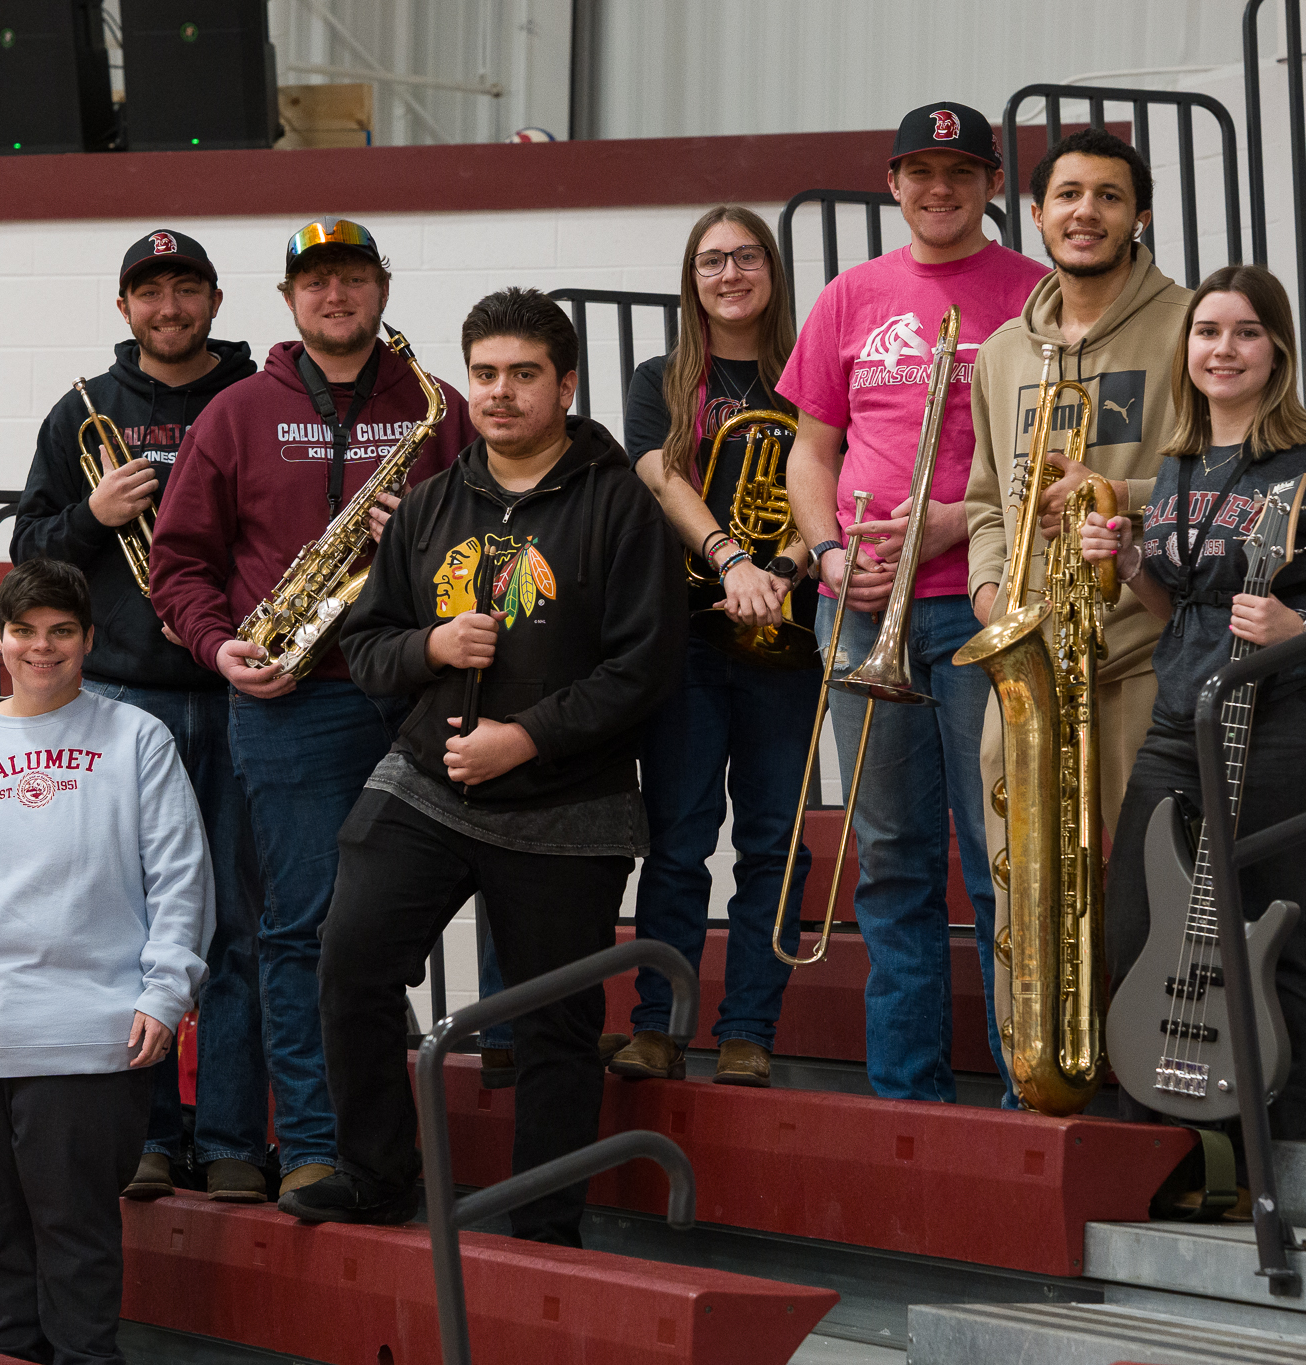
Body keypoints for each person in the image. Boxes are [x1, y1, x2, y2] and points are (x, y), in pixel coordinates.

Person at [288, 287, 683, 1243]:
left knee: (552, 1020)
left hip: (566, 798)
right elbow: (370, 643)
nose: (499, 394)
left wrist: (526, 736)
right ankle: (379, 1174)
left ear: (566, 384)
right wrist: (430, 648)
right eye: (485, 375)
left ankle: (545, 1225)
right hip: (426, 782)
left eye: (523, 375)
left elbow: (646, 669)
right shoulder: (432, 502)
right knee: (349, 960)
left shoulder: (622, 506)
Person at [150, 218, 477, 1198]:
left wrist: (422, 535)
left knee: (390, 927)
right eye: (315, 281)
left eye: (351, 276)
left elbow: (494, 539)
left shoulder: (437, 408)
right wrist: (219, 647)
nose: (335, 295)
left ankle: (380, 1139)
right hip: (293, 703)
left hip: (420, 691)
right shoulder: (240, 412)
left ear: (381, 286)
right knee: (297, 927)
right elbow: (179, 565)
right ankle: (312, 1147)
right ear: (289, 299)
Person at [1079, 264, 1306, 1141]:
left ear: (1277, 350)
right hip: (1179, 726)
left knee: (1271, 936)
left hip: (1284, 731)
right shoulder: (1181, 463)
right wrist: (1131, 562)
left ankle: (1281, 1150)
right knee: (1137, 934)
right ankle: (1158, 1141)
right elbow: (1177, 609)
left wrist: (1303, 619)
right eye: (1208, 331)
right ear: (1186, 350)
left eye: (1246, 332)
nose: (1223, 348)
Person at [777, 104, 1047, 1104]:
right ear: (892, 183)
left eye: (960, 171)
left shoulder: (1034, 293)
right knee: (888, 858)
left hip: (984, 602)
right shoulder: (850, 297)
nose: (939, 189)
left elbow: (1052, 453)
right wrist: (826, 552)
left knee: (999, 852)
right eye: (919, 171)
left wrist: (949, 524)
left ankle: (1029, 1083)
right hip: (858, 610)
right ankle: (908, 1094)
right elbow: (811, 451)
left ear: (988, 186)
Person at [0, 558, 214, 1363]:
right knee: (0, 1240)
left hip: (88, 1034)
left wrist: (166, 990)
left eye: (61, 631)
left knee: (76, 1238)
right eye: (25, 631)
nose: (43, 647)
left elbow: (181, 874)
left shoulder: (136, 736)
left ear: (88, 638)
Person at [11, 228, 262, 1202]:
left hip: (243, 691)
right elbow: (30, 555)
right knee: (128, 928)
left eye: (185, 289)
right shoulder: (84, 414)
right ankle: (153, 1135)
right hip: (123, 699)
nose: (168, 308)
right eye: (148, 293)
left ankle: (234, 1138)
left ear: (213, 299)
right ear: (124, 309)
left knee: (241, 926)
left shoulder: (253, 403)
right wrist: (91, 517)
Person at [963, 126, 1193, 1091]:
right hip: (1029, 657)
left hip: (1139, 650)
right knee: (1026, 888)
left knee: (1139, 886)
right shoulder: (1004, 350)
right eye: (1066, 195)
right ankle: (1044, 1079)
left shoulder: (1189, 326)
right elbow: (981, 499)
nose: (1084, 212)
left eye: (1107, 195)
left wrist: (1112, 494)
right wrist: (985, 592)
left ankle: (1151, 1086)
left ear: (1139, 214)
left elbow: (1214, 479)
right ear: (1039, 211)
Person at [604, 205, 817, 1089]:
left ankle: (749, 1029)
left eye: (746, 257)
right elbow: (660, 474)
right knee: (681, 837)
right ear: (692, 280)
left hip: (789, 636)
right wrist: (733, 561)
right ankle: (659, 1023)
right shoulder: (662, 377)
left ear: (772, 268)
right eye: (711, 261)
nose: (730, 274)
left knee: (777, 842)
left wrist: (790, 565)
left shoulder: (814, 371)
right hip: (689, 638)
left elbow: (842, 481)